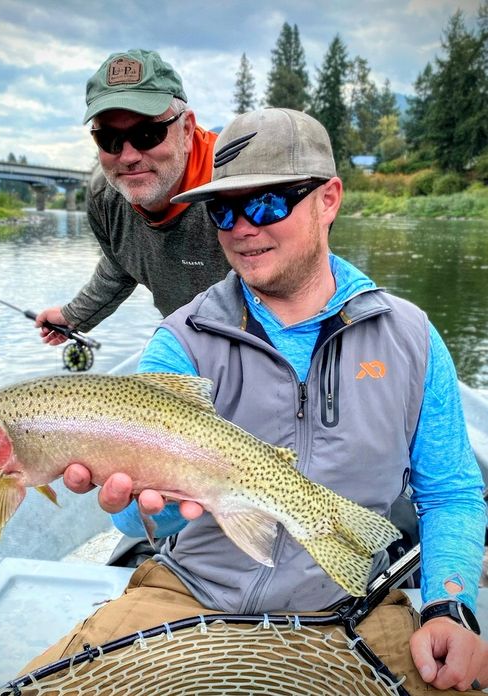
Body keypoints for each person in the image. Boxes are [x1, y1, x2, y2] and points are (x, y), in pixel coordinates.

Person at [24, 108, 487, 692]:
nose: (242, 228)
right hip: (189, 595)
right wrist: (146, 500)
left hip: (359, 605)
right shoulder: (180, 342)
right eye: (224, 208)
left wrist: (450, 605)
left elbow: (450, 492)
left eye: (268, 203)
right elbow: (143, 517)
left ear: (329, 201)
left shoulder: (412, 337)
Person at [35, 48, 229, 344]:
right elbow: (121, 262)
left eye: (147, 134)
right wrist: (74, 316)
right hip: (189, 343)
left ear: (187, 129)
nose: (128, 156)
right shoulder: (106, 196)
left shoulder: (236, 182)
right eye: (109, 139)